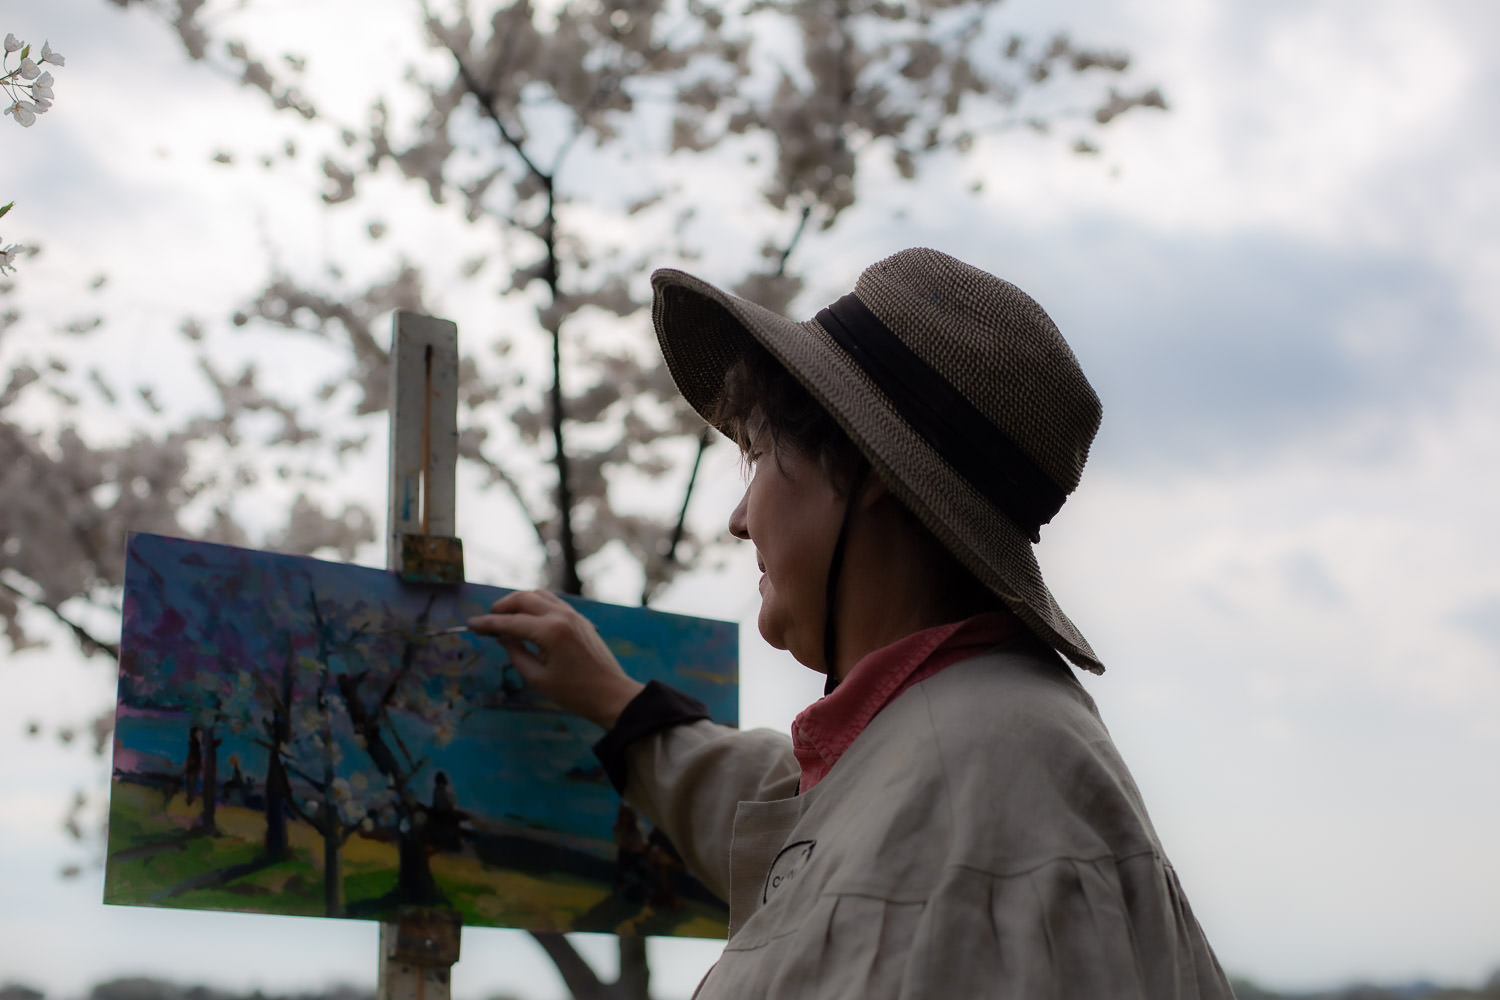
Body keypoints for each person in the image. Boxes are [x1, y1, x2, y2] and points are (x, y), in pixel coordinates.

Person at [470, 248, 1235, 998]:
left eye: (757, 452)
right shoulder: (967, 747)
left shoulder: (989, 792)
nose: (738, 519)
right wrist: (619, 706)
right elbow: (804, 819)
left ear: (867, 469)